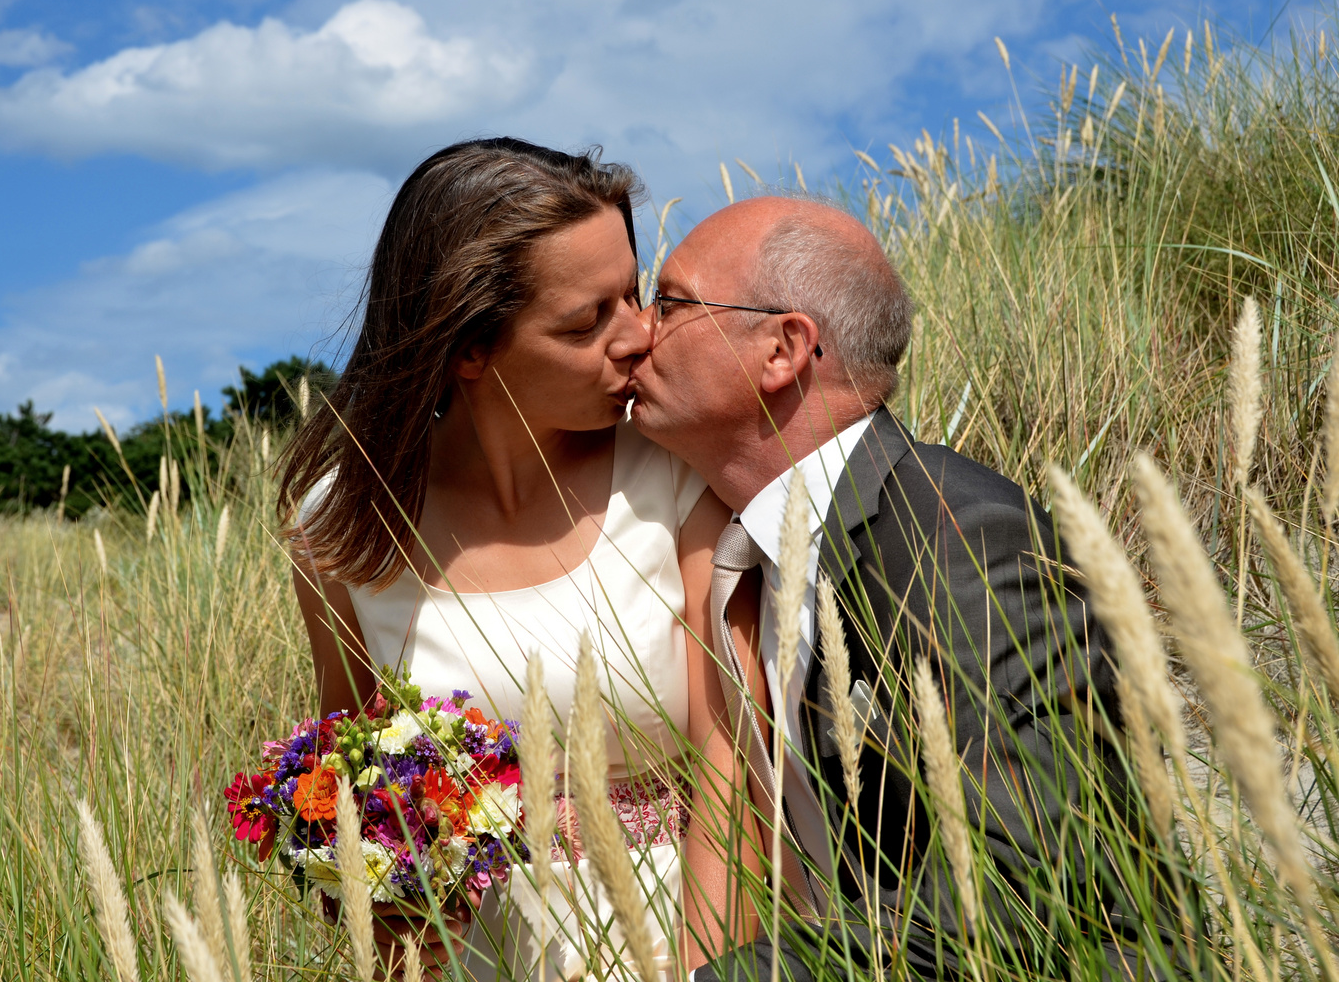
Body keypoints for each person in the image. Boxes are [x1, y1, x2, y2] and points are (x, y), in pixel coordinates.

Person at [628, 195, 1137, 980]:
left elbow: (1030, 876)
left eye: (669, 303)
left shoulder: (954, 535)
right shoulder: (767, 546)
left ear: (781, 350)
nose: (638, 333)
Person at [280, 138, 745, 981]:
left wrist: (708, 968)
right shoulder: (342, 529)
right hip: (475, 956)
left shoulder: (678, 473)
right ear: (467, 348)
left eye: (633, 295)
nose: (639, 336)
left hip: (679, 935)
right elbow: (348, 775)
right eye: (583, 322)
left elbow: (732, 755)